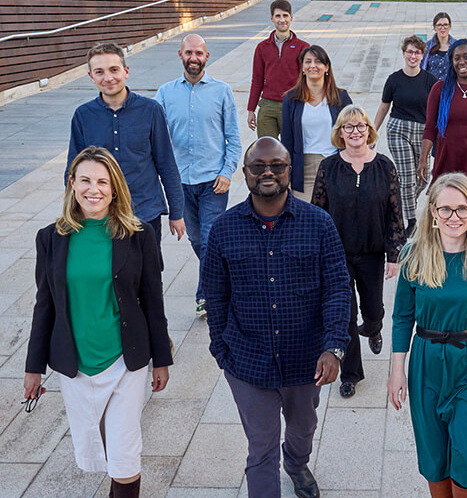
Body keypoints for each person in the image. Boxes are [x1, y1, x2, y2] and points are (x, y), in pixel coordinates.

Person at [201, 137, 351, 498]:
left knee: (303, 430)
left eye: (277, 166)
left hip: (306, 360)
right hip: (248, 363)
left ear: (290, 170)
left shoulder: (319, 224)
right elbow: (215, 296)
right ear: (246, 173)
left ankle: (297, 464)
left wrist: (334, 347)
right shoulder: (223, 228)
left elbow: (338, 288)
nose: (267, 173)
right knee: (261, 448)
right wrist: (222, 351)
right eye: (258, 166)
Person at [24, 146, 172, 498]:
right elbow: (44, 304)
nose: (95, 189)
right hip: (75, 365)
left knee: (124, 457)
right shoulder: (50, 238)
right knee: (95, 449)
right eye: (86, 180)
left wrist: (162, 360)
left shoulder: (138, 236)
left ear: (115, 187)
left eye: (103, 182)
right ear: (72, 184)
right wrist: (33, 368)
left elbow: (153, 300)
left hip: (124, 361)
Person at [387, 172, 467, 498]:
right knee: (434, 457)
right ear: (432, 212)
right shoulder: (414, 255)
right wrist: (396, 369)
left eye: (462, 209)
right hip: (426, 362)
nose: (454, 217)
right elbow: (402, 317)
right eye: (445, 209)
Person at [312, 105, 406, 398]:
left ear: (369, 130)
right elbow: (317, 212)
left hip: (373, 252)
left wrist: (394, 255)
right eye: (348, 127)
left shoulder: (384, 166)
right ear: (340, 133)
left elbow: (395, 213)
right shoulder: (328, 167)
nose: (355, 132)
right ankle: (350, 374)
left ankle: (375, 326)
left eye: (360, 126)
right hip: (337, 256)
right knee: (346, 316)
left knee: (373, 309)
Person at [68, 42, 185, 269]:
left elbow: (167, 165)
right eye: (99, 72)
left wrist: (177, 212)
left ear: (126, 71)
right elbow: (73, 171)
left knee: (147, 277)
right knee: (105, 275)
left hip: (143, 210)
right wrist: (72, 213)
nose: (108, 78)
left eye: (114, 70)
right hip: (99, 213)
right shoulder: (83, 116)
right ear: (91, 76)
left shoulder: (151, 111)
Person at [155, 33, 242, 317]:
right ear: (180, 55)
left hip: (213, 182)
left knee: (209, 238)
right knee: (196, 240)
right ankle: (223, 277)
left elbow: (234, 138)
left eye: (199, 53)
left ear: (207, 56)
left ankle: (206, 295)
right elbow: (154, 138)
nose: (194, 58)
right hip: (179, 183)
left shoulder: (222, 91)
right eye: (189, 53)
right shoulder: (165, 93)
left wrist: (228, 172)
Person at [374, 35, 438, 237]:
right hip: (398, 129)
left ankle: (398, 204)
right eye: (410, 52)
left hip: (423, 132)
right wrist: (372, 132)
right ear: (403, 54)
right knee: (407, 177)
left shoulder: (430, 80)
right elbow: (384, 107)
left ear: (422, 55)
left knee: (422, 178)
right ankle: (410, 223)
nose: (413, 55)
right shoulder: (394, 79)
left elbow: (438, 110)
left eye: (417, 52)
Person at [418, 39, 467, 188]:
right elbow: (430, 129)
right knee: (447, 204)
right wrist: (423, 159)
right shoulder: (440, 90)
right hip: (448, 158)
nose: (461, 62)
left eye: (466, 57)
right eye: (456, 58)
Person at [281, 45, 353, 201]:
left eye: (318, 61)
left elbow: (352, 133)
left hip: (335, 166)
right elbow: (287, 140)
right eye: (308, 62)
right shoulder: (291, 99)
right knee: (305, 220)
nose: (312, 65)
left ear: (326, 67)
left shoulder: (341, 97)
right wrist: (285, 176)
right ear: (302, 68)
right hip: (303, 168)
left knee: (334, 219)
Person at [246, 0, 309, 138]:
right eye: (278, 16)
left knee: (292, 151)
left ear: (291, 18)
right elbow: (257, 79)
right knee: (268, 152)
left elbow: (308, 80)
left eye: (285, 16)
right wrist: (251, 109)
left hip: (292, 104)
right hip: (268, 106)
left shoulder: (303, 47)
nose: (282, 20)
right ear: (272, 19)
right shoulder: (262, 47)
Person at [420, 12, 457, 82]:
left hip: (451, 88)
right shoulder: (427, 46)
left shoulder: (457, 46)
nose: (442, 28)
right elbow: (421, 67)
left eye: (445, 25)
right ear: (434, 27)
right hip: (431, 88)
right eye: (439, 25)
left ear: (450, 26)